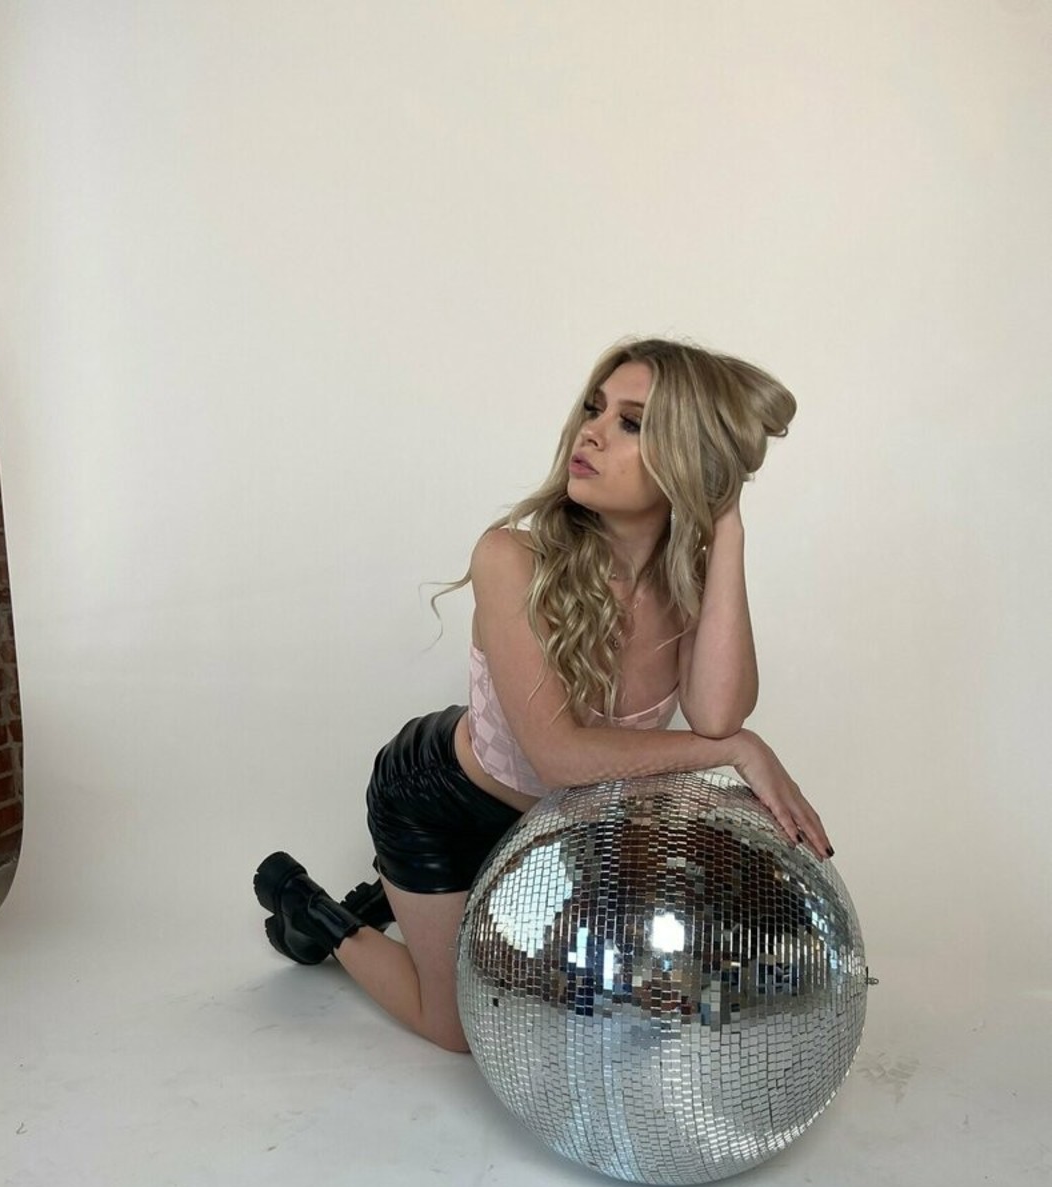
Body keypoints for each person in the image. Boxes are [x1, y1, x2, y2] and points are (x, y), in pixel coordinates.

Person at [253, 336, 833, 1054]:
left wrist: (727, 519)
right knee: (459, 1029)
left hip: (565, 833)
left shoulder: (686, 585)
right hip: (442, 806)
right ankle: (317, 913)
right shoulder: (511, 557)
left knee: (598, 997)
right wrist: (740, 751)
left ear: (689, 458)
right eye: (594, 408)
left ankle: (421, 905)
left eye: (631, 423)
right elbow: (559, 757)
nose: (591, 432)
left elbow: (718, 713)